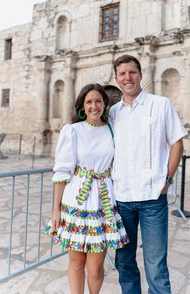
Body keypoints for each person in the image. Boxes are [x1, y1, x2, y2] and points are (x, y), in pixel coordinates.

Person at [109, 55, 186, 294]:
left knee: (156, 266)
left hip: (152, 198)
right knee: (124, 262)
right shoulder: (112, 113)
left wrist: (168, 180)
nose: (127, 78)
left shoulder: (160, 104)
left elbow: (177, 143)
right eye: (122, 74)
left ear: (141, 75)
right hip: (121, 199)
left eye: (132, 72)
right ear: (116, 78)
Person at [44, 83, 128, 294]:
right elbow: (62, 172)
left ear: (105, 104)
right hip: (76, 200)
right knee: (76, 262)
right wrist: (56, 210)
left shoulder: (112, 129)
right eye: (89, 102)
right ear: (82, 105)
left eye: (98, 101)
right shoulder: (72, 130)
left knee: (96, 269)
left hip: (103, 203)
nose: (94, 106)